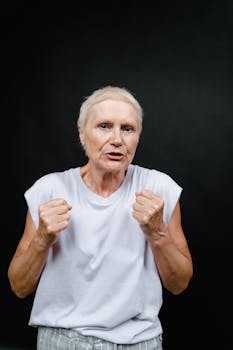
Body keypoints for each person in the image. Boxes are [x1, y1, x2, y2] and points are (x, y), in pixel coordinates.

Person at [8, 85, 193, 350]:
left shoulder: (158, 188)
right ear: (82, 134)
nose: (117, 139)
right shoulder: (49, 189)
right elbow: (19, 287)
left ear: (137, 137)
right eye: (104, 126)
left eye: (127, 129)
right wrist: (42, 239)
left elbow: (179, 284)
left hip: (139, 342)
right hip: (62, 340)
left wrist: (157, 233)